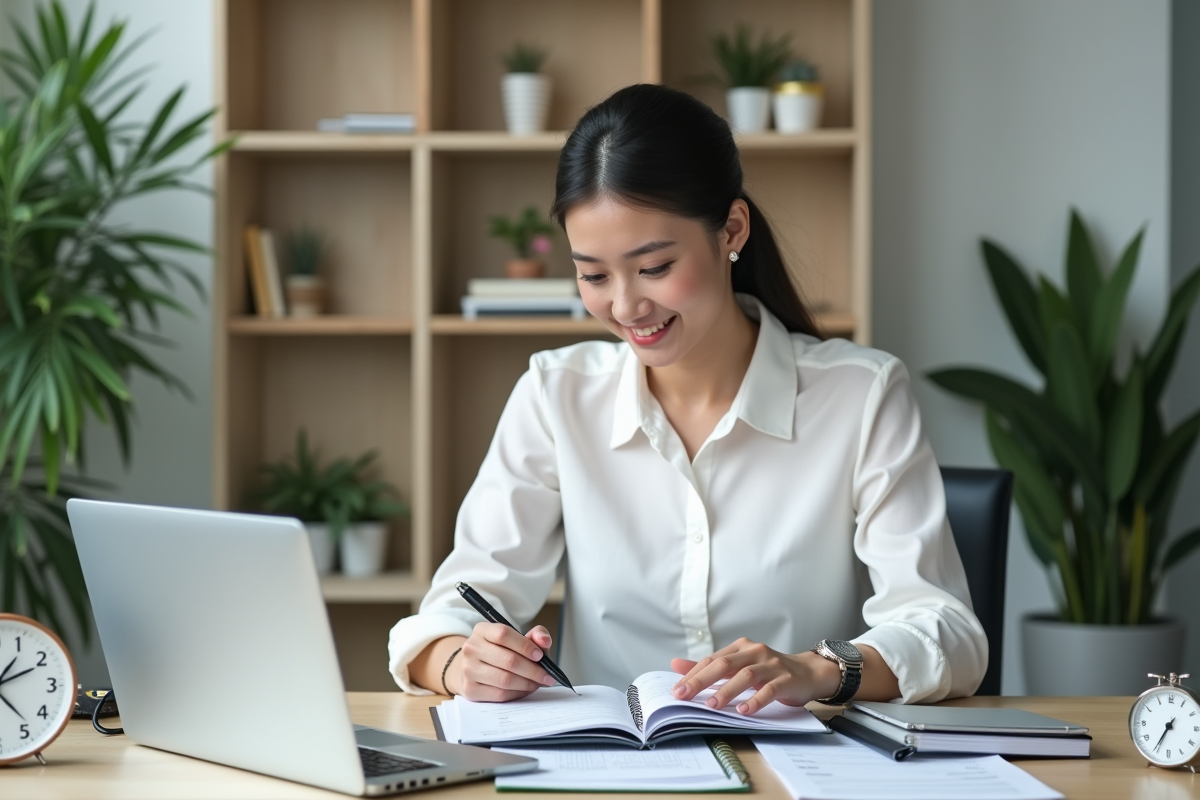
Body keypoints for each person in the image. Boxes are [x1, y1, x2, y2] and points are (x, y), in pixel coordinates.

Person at [389, 84, 986, 714]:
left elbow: (947, 632)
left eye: (653, 267)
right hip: (609, 767)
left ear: (731, 229)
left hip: (796, 766)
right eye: (593, 275)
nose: (624, 307)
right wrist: (462, 661)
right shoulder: (555, 394)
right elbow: (451, 610)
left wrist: (819, 669)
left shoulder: (861, 394)